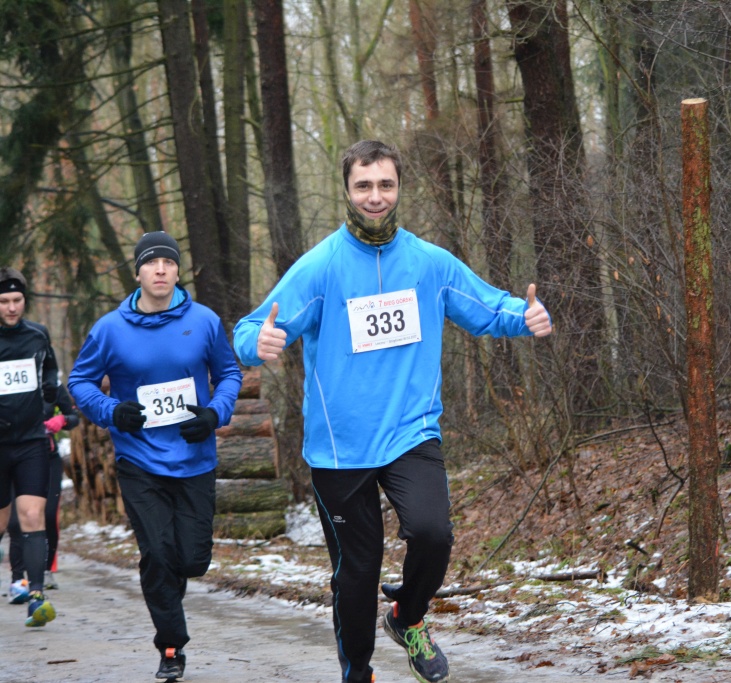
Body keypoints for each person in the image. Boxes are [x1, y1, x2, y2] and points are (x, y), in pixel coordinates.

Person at [233, 140, 553, 683]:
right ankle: (358, 673)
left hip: (411, 432)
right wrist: (255, 343)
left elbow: (485, 306)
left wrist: (525, 316)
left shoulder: (428, 262)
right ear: (347, 190)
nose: (375, 196)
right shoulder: (321, 267)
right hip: (341, 448)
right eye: (364, 186)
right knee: (357, 575)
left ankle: (408, 617)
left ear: (400, 187)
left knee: (433, 533)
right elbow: (252, 327)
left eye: (385, 184)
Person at [68, 232, 242, 682]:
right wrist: (111, 411)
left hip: (195, 458)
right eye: (151, 262)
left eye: (168, 261)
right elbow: (80, 382)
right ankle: (171, 645)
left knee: (192, 560)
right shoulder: (110, 329)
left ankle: (168, 598)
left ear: (178, 271)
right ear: (138, 273)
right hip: (139, 460)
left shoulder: (204, 321)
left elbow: (228, 373)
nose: (160, 269)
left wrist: (215, 413)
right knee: (158, 552)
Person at [0, 266, 60, 628]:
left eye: (17, 300)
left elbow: (50, 370)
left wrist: (48, 398)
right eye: (4, 301)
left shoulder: (38, 334)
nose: (11, 307)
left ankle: (36, 596)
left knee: (33, 516)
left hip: (31, 441)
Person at [5, 383, 80, 598]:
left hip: (47, 459)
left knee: (47, 515)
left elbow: (74, 417)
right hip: (14, 457)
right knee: (16, 522)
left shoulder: (51, 386)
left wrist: (62, 420)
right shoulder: (9, 381)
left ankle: (45, 570)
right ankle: (18, 578)